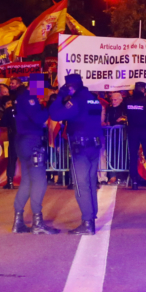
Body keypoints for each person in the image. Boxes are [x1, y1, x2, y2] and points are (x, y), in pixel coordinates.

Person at [49, 73, 104, 235]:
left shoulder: (77, 101)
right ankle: (91, 217)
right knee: (91, 181)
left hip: (81, 146)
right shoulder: (93, 99)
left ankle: (87, 223)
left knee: (81, 185)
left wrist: (60, 97)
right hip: (95, 144)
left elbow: (56, 114)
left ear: (70, 86)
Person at [11, 84, 60, 234]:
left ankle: (18, 221)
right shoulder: (29, 98)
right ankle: (37, 222)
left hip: (22, 141)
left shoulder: (20, 99)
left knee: (26, 181)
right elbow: (38, 117)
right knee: (39, 181)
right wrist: (49, 106)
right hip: (31, 141)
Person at [124, 82, 146, 190]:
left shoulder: (128, 100)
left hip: (132, 131)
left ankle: (134, 182)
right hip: (145, 131)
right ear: (143, 89)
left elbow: (125, 113)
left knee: (133, 156)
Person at [0, 95, 18, 189]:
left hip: (14, 136)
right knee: (28, 160)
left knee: (12, 159)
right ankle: (31, 182)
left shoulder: (8, 111)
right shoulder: (25, 109)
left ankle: (10, 182)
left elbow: (3, 124)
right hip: (27, 136)